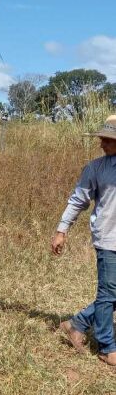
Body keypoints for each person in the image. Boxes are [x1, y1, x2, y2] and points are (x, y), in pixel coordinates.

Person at [53, 114, 116, 367]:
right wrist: (61, 230)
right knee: (109, 293)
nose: (101, 143)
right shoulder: (96, 168)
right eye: (102, 138)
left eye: (108, 140)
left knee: (111, 294)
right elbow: (78, 200)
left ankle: (77, 323)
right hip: (109, 239)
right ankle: (106, 347)